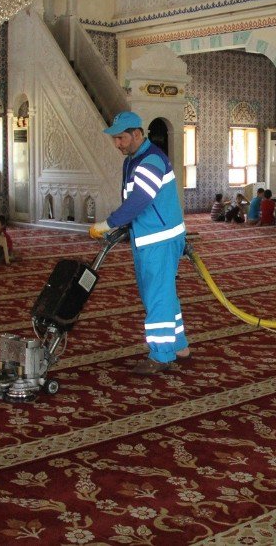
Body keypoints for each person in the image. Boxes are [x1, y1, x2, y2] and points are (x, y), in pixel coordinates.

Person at [89, 111, 189, 375]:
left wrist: (108, 223)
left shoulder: (151, 160)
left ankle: (161, 355)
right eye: (115, 139)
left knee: (157, 296)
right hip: (148, 237)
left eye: (121, 138)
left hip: (160, 239)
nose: (117, 144)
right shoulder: (134, 160)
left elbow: (139, 200)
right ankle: (178, 344)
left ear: (137, 134)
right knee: (161, 293)